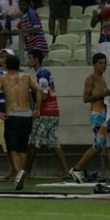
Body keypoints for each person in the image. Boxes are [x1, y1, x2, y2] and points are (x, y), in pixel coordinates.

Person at [69, 52, 110, 183]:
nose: (103, 66)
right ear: (94, 64)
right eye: (100, 63)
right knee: (98, 145)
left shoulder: (103, 79)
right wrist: (105, 93)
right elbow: (86, 98)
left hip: (106, 113)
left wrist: (109, 97)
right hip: (98, 114)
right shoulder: (90, 79)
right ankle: (76, 169)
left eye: (105, 63)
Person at [0, 54, 42, 190]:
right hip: (26, 115)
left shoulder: (3, 78)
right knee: (22, 147)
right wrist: (37, 109)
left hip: (12, 115)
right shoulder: (26, 77)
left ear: (6, 65)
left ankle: (19, 172)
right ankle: (21, 173)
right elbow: (39, 90)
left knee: (12, 148)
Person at [25, 50, 69, 178]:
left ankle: (25, 171)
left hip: (45, 113)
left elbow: (43, 95)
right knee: (54, 142)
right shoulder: (44, 73)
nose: (29, 61)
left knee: (34, 141)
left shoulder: (42, 75)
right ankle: (66, 171)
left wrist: (36, 107)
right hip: (54, 112)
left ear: (36, 60)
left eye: (30, 58)